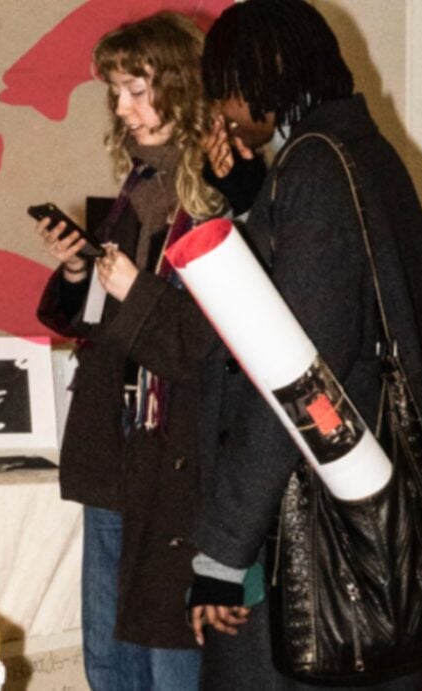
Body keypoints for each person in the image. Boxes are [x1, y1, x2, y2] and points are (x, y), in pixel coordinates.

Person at [185, 1, 422, 688]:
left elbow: (297, 379)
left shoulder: (315, 169)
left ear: (267, 74)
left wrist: (222, 549)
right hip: (367, 510)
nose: (223, 109)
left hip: (310, 534)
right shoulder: (367, 156)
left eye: (227, 86)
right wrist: (249, 193)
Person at [33, 12, 260, 690]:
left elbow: (212, 347)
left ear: (185, 88)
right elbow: (107, 321)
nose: (122, 106)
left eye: (137, 88)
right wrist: (79, 272)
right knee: (109, 659)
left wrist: (136, 292)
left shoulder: (226, 194)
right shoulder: (140, 188)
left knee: (168, 663)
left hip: (179, 461)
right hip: (118, 447)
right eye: (116, 92)